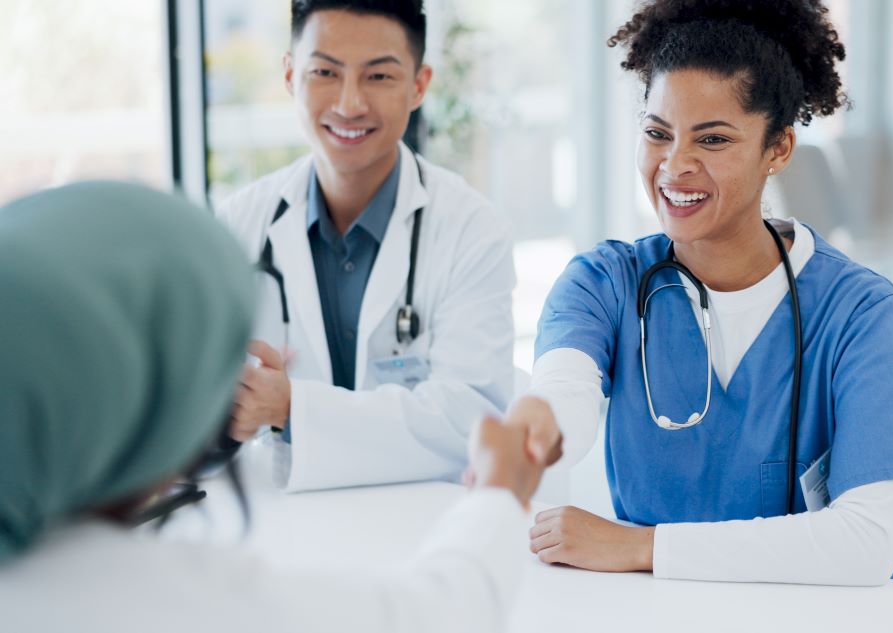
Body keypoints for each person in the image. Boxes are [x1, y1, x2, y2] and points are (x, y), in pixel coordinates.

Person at [504, 0, 893, 585]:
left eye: (712, 140)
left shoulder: (861, 314)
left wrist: (643, 547)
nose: (675, 165)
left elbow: (863, 543)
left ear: (779, 149)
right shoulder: (604, 284)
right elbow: (565, 392)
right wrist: (535, 426)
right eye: (656, 133)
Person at [0, 182, 543, 633]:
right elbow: (439, 614)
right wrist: (499, 494)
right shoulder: (168, 604)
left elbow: (465, 400)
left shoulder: (466, 221)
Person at [216, 0, 517, 491]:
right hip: (283, 528)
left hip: (416, 531)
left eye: (378, 77)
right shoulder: (239, 225)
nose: (349, 104)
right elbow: (196, 409)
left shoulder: (472, 230)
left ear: (419, 85)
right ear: (291, 76)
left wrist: (291, 408)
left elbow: (473, 417)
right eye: (325, 73)